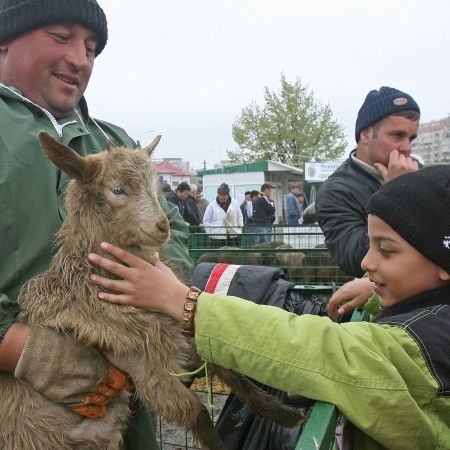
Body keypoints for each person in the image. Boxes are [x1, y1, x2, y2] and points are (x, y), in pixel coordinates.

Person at [89, 165, 450, 450]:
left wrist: (182, 303)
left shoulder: (423, 348)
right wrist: (375, 289)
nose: (367, 262)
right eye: (370, 245)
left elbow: (316, 350)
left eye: (386, 250)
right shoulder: (435, 311)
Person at [0, 2, 194, 449]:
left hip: (118, 410)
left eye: (90, 48)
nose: (80, 59)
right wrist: (19, 348)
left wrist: (159, 279)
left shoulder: (117, 142)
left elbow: (175, 232)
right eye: (61, 36)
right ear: (6, 37)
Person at [316, 86, 421, 278]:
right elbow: (354, 259)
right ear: (365, 135)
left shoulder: (419, 172)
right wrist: (397, 193)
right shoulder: (335, 191)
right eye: (397, 135)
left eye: (411, 138)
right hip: (384, 301)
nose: (407, 148)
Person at [203, 182, 243, 247]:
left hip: (233, 235)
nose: (221, 197)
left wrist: (240, 228)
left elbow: (239, 216)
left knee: (234, 255)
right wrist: (211, 233)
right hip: (217, 237)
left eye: (224, 195)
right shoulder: (212, 205)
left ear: (228, 195)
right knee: (217, 256)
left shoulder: (234, 203)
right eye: (219, 195)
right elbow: (206, 220)